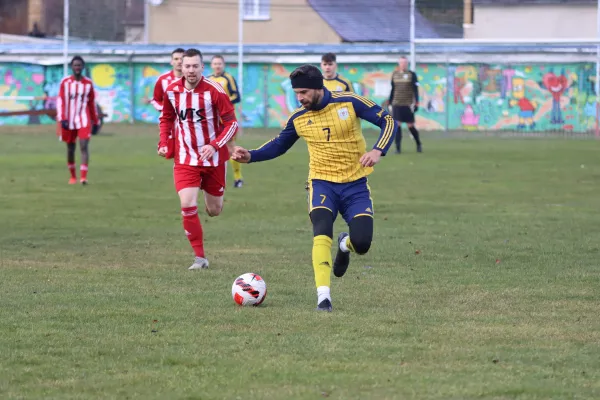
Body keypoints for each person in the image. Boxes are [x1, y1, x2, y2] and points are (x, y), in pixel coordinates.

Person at [232, 65, 397, 312]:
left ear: (319, 87)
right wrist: (251, 156)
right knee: (321, 230)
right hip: (321, 183)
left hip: (355, 185)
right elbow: (279, 145)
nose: (300, 98)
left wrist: (377, 150)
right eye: (296, 93)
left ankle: (345, 246)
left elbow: (388, 120)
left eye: (304, 92)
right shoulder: (299, 117)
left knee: (362, 244)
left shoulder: (350, 102)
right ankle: (323, 298)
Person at [158, 48, 239, 270]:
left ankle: (210, 195)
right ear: (180, 68)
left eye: (195, 66)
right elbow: (166, 118)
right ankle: (200, 258)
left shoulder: (215, 91)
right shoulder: (172, 91)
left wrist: (214, 145)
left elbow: (232, 124)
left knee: (214, 210)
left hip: (213, 160)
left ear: (202, 67)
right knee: (187, 203)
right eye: (187, 66)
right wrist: (164, 142)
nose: (191, 70)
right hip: (185, 159)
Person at [56, 55, 100, 185]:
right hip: (68, 119)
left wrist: (95, 121)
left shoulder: (88, 84)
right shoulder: (65, 83)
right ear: (71, 67)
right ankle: (73, 177)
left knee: (84, 145)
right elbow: (61, 101)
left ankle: (83, 177)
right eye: (75, 65)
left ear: (83, 67)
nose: (77, 67)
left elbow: (92, 103)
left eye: (79, 65)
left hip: (83, 119)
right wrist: (62, 118)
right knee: (70, 148)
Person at [208, 55, 244, 188]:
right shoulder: (208, 79)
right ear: (211, 65)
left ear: (223, 65)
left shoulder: (228, 78)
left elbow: (236, 96)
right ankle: (212, 178)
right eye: (215, 63)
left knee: (230, 148)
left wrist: (223, 101)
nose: (217, 66)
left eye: (219, 63)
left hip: (227, 120)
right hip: (213, 120)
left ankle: (238, 177)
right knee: (211, 147)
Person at [388, 56, 423, 153]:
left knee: (410, 126)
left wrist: (416, 103)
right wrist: (389, 101)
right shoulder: (394, 75)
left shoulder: (412, 75)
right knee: (397, 125)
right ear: (399, 64)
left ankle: (418, 144)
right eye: (401, 63)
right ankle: (398, 148)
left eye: (405, 63)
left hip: (407, 104)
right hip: (396, 104)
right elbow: (393, 89)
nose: (403, 64)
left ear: (407, 64)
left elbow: (415, 90)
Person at [148, 48, 185, 112]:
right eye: (176, 59)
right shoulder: (162, 79)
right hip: (170, 120)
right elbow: (156, 100)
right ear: (171, 62)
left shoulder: (194, 79)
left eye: (182, 59)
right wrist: (167, 110)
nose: (179, 61)